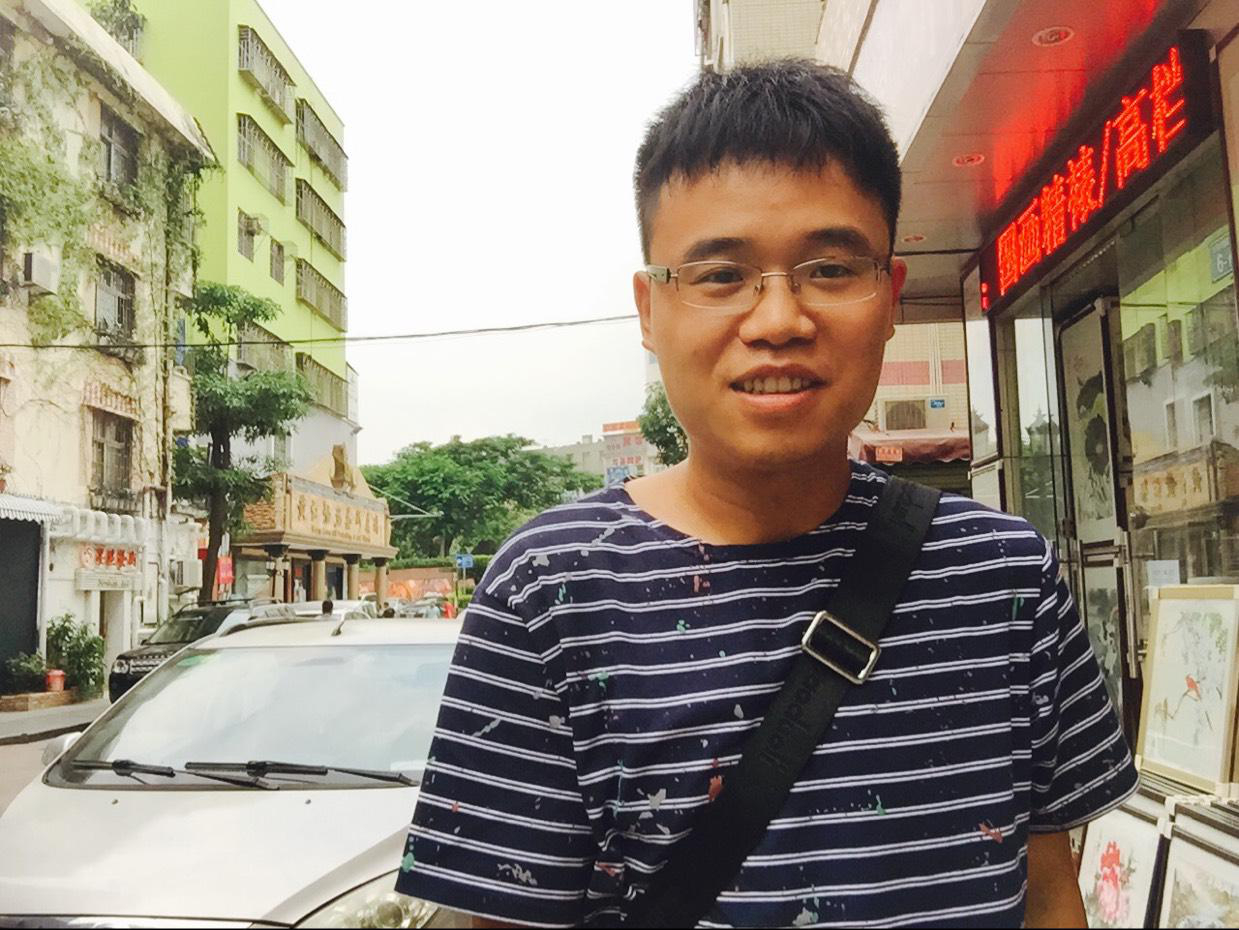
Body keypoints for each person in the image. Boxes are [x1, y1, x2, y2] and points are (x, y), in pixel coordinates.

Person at [395, 61, 1136, 928]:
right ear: (648, 311)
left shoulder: (1006, 574)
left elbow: (1047, 886)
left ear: (889, 298)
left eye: (830, 268)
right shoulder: (550, 589)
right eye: (719, 276)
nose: (779, 320)